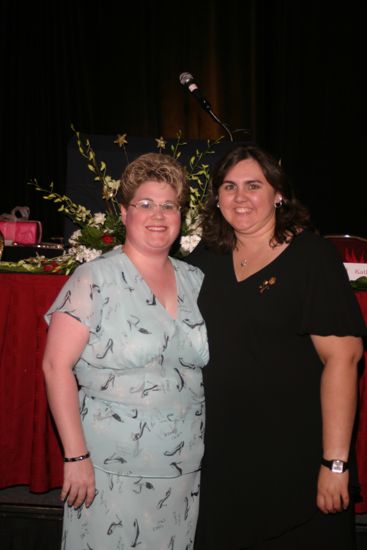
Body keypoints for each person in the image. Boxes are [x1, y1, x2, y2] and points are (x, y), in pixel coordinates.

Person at [188, 144, 366, 549]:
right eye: (229, 187)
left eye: (254, 185)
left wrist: (334, 462)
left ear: (278, 194)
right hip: (224, 456)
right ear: (217, 197)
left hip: (294, 455)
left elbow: (344, 359)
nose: (240, 197)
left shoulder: (312, 257)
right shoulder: (207, 256)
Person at [42, 152, 209, 550]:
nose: (158, 214)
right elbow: (54, 367)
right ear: (124, 212)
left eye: (169, 205)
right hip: (108, 469)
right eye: (145, 204)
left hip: (183, 468)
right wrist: (76, 457)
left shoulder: (196, 280)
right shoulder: (94, 277)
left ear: (181, 215)